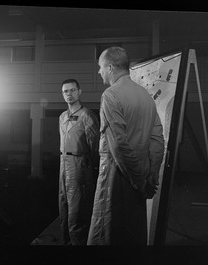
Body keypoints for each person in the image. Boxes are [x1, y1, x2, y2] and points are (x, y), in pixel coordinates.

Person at [87, 47, 165, 245]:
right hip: (142, 177)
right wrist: (151, 176)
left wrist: (138, 181)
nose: (99, 72)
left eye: (100, 67)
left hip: (117, 177)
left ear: (111, 67)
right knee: (133, 236)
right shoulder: (146, 96)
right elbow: (157, 141)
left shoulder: (110, 96)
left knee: (107, 234)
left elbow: (119, 146)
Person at [59, 78, 100, 245]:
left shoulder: (87, 115)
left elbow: (95, 145)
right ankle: (65, 241)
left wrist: (92, 167)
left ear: (79, 92)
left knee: (77, 208)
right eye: (65, 91)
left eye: (72, 90)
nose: (69, 94)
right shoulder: (62, 116)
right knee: (63, 203)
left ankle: (78, 242)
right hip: (63, 161)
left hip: (79, 163)